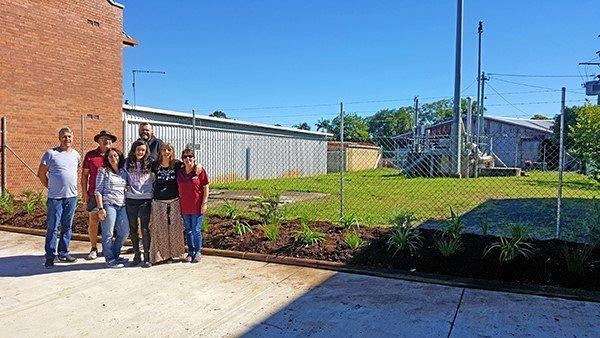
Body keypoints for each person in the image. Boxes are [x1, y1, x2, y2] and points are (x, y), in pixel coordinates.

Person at [38, 127, 81, 268]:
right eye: (64, 136)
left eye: (69, 136)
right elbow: (41, 174)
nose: (67, 139)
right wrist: (49, 187)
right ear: (59, 138)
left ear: (72, 138)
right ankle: (50, 256)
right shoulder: (51, 154)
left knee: (67, 226)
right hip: (55, 198)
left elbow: (75, 171)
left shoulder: (76, 155)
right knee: (53, 227)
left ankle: (63, 253)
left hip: (72, 197)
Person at [81, 130, 116, 260]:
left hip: (112, 196)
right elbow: (84, 175)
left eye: (108, 139)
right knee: (94, 222)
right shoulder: (90, 155)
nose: (106, 141)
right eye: (103, 139)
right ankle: (94, 248)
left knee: (111, 223)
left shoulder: (115, 155)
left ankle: (110, 248)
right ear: (98, 141)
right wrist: (84, 192)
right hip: (94, 195)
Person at [149, 143, 186, 264]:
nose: (166, 152)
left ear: (172, 151)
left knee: (175, 228)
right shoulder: (154, 165)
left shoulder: (177, 164)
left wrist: (199, 166)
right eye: (163, 149)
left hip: (174, 200)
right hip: (159, 201)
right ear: (160, 152)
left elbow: (190, 166)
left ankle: (175, 254)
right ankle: (162, 256)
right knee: (160, 229)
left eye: (168, 149)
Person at [94, 148, 130, 268]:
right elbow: (98, 191)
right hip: (109, 205)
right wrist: (100, 208)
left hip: (122, 205)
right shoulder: (103, 171)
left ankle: (115, 254)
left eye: (115, 156)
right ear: (107, 159)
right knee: (108, 233)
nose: (113, 158)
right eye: (110, 156)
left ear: (119, 157)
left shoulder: (123, 172)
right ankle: (109, 259)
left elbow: (127, 186)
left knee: (125, 232)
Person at [124, 140, 154, 268]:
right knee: (133, 228)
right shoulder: (127, 162)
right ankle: (137, 254)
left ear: (146, 151)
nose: (140, 152)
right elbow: (121, 174)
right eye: (138, 150)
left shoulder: (151, 163)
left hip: (145, 199)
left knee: (145, 229)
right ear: (134, 150)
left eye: (143, 150)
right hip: (131, 199)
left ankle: (147, 256)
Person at [177, 148, 209, 263]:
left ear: (194, 158)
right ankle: (190, 252)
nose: (188, 159)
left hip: (197, 206)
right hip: (185, 207)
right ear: (182, 160)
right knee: (188, 230)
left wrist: (204, 203)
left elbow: (205, 187)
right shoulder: (180, 172)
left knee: (196, 229)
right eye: (185, 157)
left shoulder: (199, 171)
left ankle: (198, 252)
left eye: (190, 156)